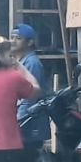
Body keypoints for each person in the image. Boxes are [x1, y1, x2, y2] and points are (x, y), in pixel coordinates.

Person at [10, 24, 51, 152]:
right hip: (23, 120)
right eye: (12, 37)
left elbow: (30, 97)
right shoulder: (19, 62)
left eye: (18, 38)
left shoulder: (32, 63)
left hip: (30, 122)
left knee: (28, 160)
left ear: (30, 42)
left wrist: (17, 122)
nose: (13, 41)